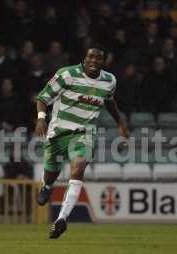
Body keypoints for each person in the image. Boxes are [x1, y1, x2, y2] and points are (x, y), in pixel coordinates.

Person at [35, 45, 129, 239]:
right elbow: (43, 97)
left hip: (85, 132)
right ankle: (46, 185)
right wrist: (41, 118)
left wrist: (120, 122)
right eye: (91, 57)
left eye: (98, 58)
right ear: (84, 59)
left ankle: (61, 219)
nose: (94, 61)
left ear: (103, 61)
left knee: (78, 169)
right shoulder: (67, 74)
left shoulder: (109, 80)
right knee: (51, 172)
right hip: (59, 131)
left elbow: (109, 101)